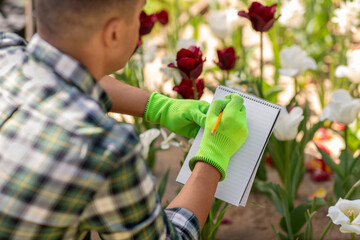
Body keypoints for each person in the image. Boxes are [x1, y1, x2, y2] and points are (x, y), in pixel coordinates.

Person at [0, 0, 248, 239]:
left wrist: (159, 107)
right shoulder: (103, 150)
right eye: (138, 15)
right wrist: (214, 155)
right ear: (115, 33)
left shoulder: (6, 49)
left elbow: (63, 69)